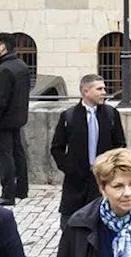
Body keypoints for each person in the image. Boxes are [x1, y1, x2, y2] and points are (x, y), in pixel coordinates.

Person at [50, 74, 127, 230]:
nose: (104, 92)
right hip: (76, 182)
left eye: (104, 88)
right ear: (85, 91)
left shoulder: (111, 114)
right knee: (70, 226)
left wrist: (111, 169)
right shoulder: (69, 116)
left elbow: (120, 145)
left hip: (103, 180)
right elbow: (57, 147)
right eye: (99, 89)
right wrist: (69, 168)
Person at [0, 32, 32, 206]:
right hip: (17, 119)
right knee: (18, 154)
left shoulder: (4, 69)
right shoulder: (21, 66)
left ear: (3, 46)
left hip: (3, 122)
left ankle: (8, 194)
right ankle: (21, 189)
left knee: (5, 158)